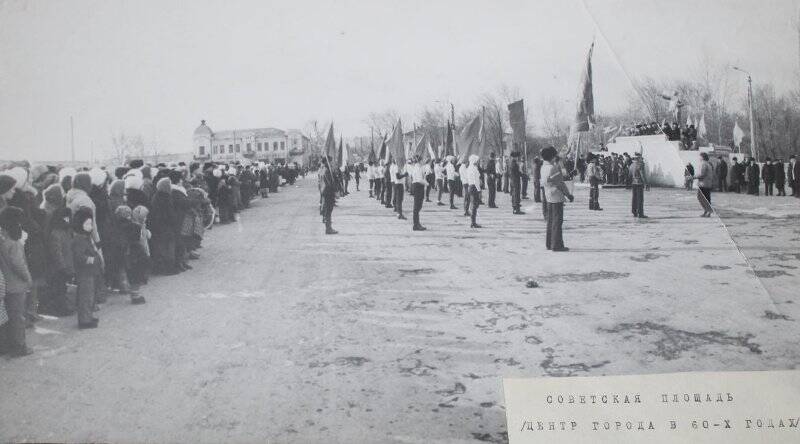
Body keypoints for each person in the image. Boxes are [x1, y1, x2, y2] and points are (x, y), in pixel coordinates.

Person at [0, 206, 33, 356]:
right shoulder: (14, 244)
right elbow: (19, 264)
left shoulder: (2, 241)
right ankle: (20, 346)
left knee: (7, 318)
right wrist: (28, 278)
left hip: (5, 286)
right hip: (17, 287)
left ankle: (6, 345)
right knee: (18, 317)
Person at [71, 207, 101, 329]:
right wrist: (92, 260)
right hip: (85, 272)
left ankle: (88, 316)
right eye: (87, 224)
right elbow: (79, 256)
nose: (90, 226)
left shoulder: (85, 237)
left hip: (90, 272)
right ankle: (84, 320)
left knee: (90, 296)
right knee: (85, 297)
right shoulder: (79, 239)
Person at [540, 147, 573, 251]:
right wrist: (568, 195)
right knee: (557, 221)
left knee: (550, 221)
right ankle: (557, 244)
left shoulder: (543, 167)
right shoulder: (552, 168)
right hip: (556, 195)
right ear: (552, 156)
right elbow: (560, 183)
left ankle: (549, 243)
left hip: (548, 195)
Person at [318, 157, 337, 234]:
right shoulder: (327, 171)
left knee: (327, 210)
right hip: (328, 192)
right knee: (329, 210)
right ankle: (328, 228)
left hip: (324, 192)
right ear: (327, 162)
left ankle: (328, 227)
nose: (331, 163)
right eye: (330, 161)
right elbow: (329, 182)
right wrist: (335, 189)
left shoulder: (322, 169)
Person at [694, 152, 715, 217]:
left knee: (701, 197)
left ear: (702, 157)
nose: (699, 158)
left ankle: (708, 211)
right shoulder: (708, 164)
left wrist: (692, 177)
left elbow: (702, 174)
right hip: (707, 184)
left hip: (703, 183)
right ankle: (707, 211)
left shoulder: (703, 164)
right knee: (706, 198)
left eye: (700, 156)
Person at [409, 156, 427, 231]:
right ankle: (416, 225)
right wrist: (427, 183)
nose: (423, 161)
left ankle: (417, 224)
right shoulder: (417, 168)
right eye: (423, 160)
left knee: (418, 206)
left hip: (417, 186)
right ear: (420, 161)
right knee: (417, 207)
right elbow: (420, 179)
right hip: (418, 186)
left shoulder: (418, 167)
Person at [466, 154, 482, 228]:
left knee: (473, 204)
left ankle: (473, 221)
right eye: (477, 161)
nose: (478, 162)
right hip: (474, 187)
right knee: (475, 205)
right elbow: (476, 181)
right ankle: (473, 222)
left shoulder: (469, 168)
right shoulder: (474, 169)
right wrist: (479, 190)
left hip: (470, 186)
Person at [630, 153, 648, 218]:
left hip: (633, 183)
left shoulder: (631, 165)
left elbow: (630, 174)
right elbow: (642, 175)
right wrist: (646, 183)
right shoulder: (640, 165)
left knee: (634, 198)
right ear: (639, 158)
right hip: (639, 183)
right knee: (640, 199)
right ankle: (640, 213)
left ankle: (634, 212)